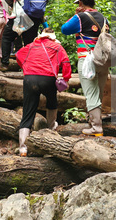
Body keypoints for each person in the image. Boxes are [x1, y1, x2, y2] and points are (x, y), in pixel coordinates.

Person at [16, 28, 72, 156]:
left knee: (28, 111)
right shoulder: (56, 47)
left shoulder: (31, 45)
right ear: (52, 37)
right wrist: (66, 79)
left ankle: (23, 148)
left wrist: (25, 66)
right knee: (52, 101)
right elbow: (66, 62)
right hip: (48, 79)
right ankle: (51, 126)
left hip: (30, 78)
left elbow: (19, 55)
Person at [61, 0, 109, 136]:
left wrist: (76, 14)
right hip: (103, 60)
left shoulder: (80, 17)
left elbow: (64, 29)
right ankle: (94, 122)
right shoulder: (103, 17)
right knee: (98, 93)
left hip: (87, 60)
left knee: (90, 93)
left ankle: (96, 128)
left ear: (81, 2)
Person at [0, 0, 45, 68]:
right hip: (35, 16)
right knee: (29, 41)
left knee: (7, 37)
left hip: (20, 15)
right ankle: (30, 67)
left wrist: (14, 6)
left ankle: (4, 63)